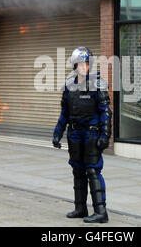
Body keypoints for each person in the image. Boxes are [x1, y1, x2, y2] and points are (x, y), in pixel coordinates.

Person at [52, 47, 112, 223]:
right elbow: (64, 113)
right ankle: (80, 208)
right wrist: (57, 133)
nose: (83, 67)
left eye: (86, 63)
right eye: (80, 64)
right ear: (74, 65)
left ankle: (101, 212)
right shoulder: (69, 85)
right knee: (77, 171)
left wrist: (105, 135)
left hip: (91, 134)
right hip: (75, 133)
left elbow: (105, 112)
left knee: (92, 170)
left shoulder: (98, 83)